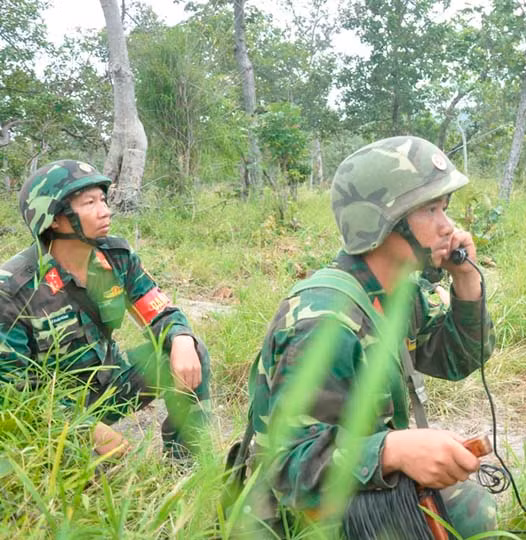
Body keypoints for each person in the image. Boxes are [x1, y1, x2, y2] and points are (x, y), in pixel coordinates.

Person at [244, 136, 497, 537]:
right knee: (468, 509)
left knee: (459, 498)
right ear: (380, 223)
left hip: (351, 475)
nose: (448, 227)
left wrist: (466, 280)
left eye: (444, 209)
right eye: (430, 210)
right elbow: (287, 466)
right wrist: (393, 450)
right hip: (292, 507)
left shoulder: (398, 293)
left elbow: (457, 359)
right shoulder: (325, 320)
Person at [0, 160, 211, 460]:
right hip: (52, 411)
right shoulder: (13, 289)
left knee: (191, 349)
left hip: (109, 385)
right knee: (88, 481)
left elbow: (161, 313)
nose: (105, 211)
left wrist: (180, 338)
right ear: (55, 219)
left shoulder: (116, 259)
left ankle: (185, 463)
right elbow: (14, 396)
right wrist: (82, 427)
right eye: (90, 203)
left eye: (103, 200)